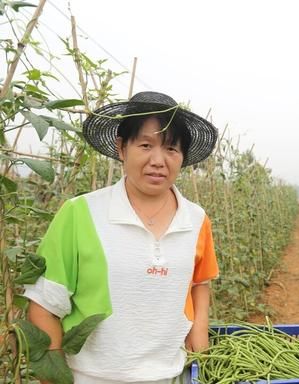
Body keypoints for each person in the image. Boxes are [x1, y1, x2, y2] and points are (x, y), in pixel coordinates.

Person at [23, 91, 219, 383]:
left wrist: (199, 334)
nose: (158, 160)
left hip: (171, 375)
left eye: (171, 150)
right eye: (145, 145)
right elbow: (43, 306)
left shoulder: (196, 218)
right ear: (121, 147)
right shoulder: (80, 213)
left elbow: (199, 282)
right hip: (91, 377)